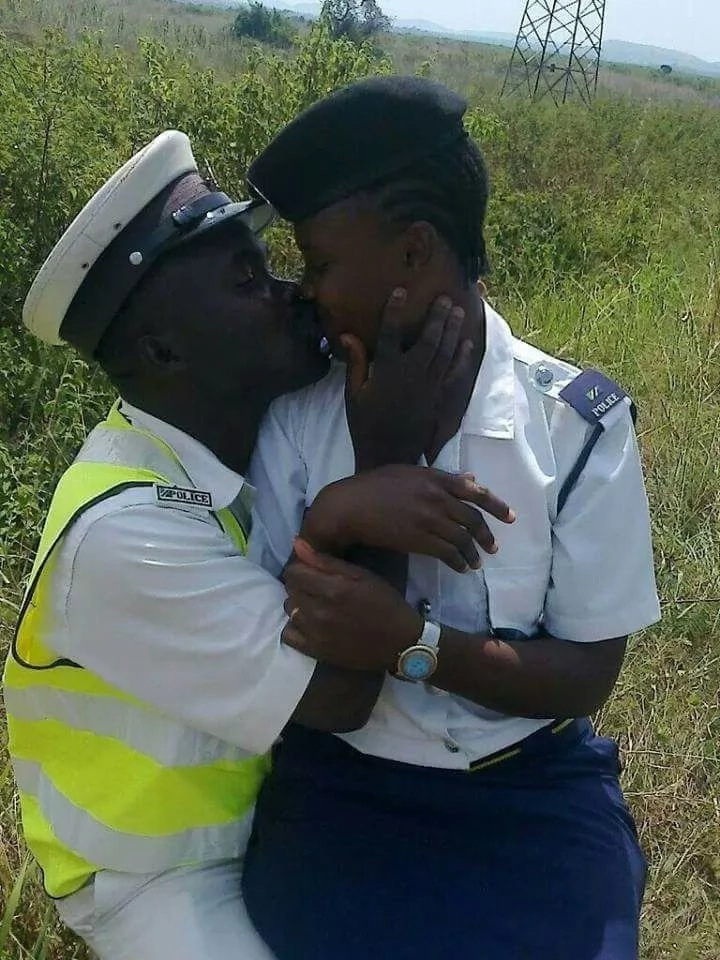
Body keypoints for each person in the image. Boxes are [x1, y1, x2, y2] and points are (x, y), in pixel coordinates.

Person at [3, 129, 513, 960]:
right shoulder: (122, 533)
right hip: (158, 875)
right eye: (249, 281)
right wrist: (383, 456)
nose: (293, 295)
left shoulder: (241, 447)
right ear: (163, 352)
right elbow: (340, 694)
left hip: (281, 815)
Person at [240, 76, 662, 960]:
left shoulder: (573, 426)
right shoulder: (295, 420)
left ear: (414, 253)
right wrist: (361, 485)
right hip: (342, 791)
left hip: (526, 792)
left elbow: (586, 674)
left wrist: (412, 642)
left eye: (319, 264)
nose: (305, 291)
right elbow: (310, 673)